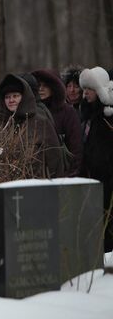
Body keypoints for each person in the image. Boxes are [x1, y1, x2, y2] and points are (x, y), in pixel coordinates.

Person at [0, 74, 63, 178]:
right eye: (7, 97)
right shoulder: (0, 124)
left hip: (38, 185)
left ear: (24, 97)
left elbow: (55, 158)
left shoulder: (40, 121)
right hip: (8, 185)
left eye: (15, 96)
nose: (11, 100)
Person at [78, 66, 113, 252]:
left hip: (107, 183)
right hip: (91, 181)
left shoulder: (107, 119)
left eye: (89, 89)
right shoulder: (87, 116)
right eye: (84, 89)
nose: (85, 94)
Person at [32, 69, 82, 176]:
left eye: (45, 85)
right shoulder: (30, 112)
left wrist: (71, 174)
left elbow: (76, 147)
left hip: (62, 173)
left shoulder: (67, 112)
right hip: (35, 174)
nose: (41, 89)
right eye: (38, 85)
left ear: (53, 87)